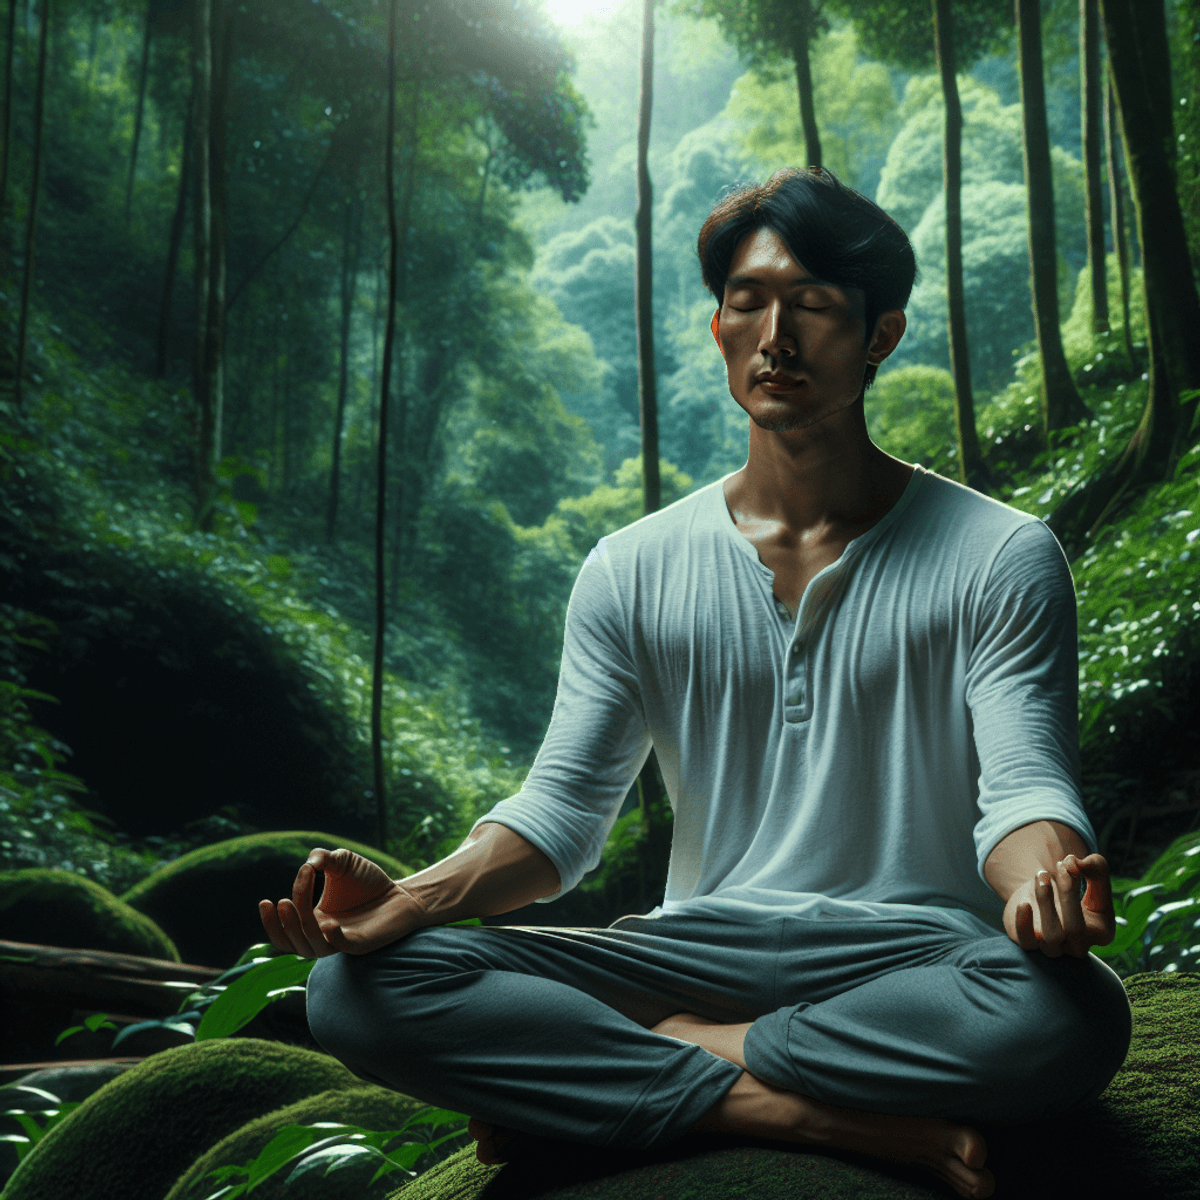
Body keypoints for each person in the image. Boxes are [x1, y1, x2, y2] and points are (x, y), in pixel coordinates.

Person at [259, 167, 1131, 1200]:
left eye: (811, 306)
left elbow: (1023, 785)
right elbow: (560, 818)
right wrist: (413, 896)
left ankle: (670, 1060)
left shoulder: (999, 553)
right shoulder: (631, 566)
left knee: (1068, 1019)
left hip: (914, 960)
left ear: (880, 335)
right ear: (718, 327)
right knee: (355, 992)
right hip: (691, 949)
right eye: (749, 302)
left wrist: (1047, 879)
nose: (777, 337)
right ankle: (788, 1105)